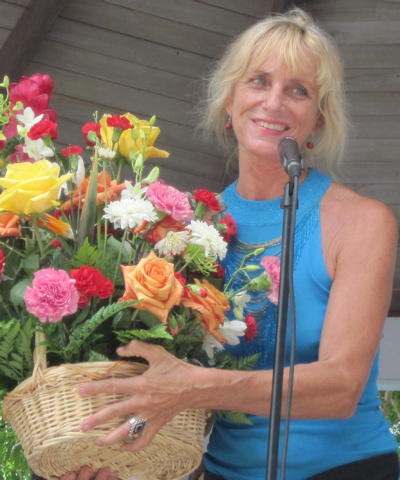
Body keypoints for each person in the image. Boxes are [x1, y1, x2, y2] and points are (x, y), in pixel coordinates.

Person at [62, 7, 399, 480]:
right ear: (229, 101)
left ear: (318, 121)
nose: (274, 102)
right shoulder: (183, 228)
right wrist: (118, 450)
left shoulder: (363, 222)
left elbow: (340, 388)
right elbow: (162, 382)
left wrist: (193, 387)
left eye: (298, 90)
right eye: (259, 81)